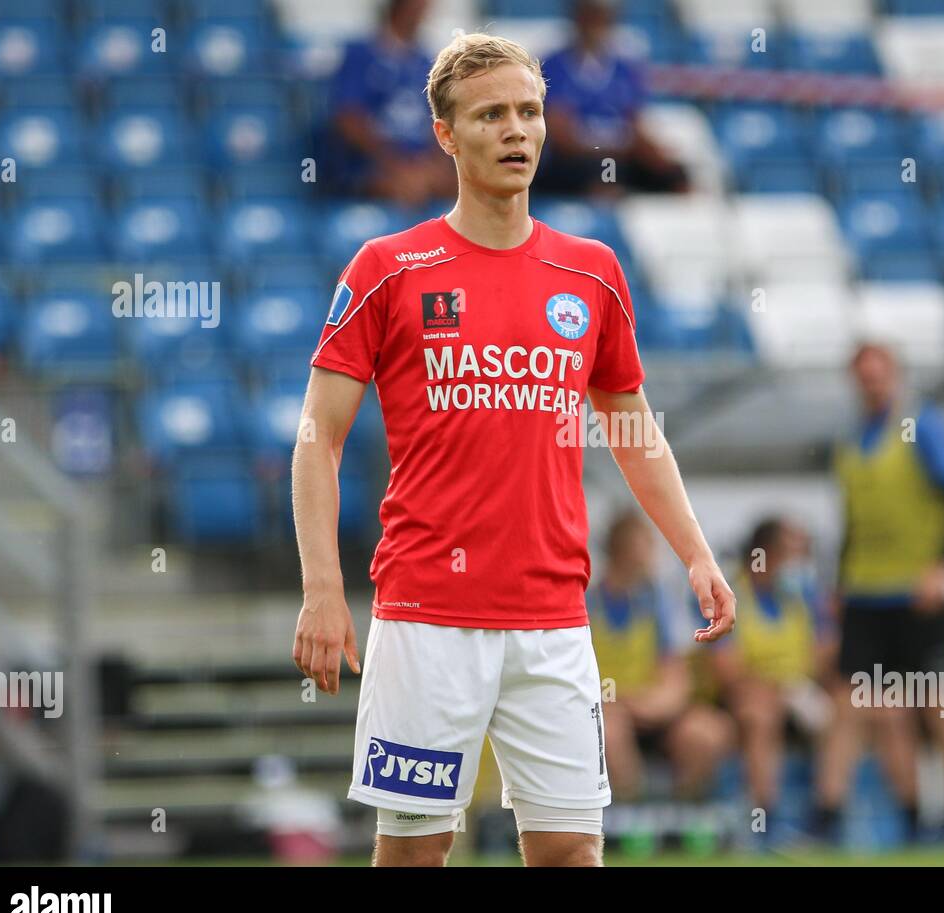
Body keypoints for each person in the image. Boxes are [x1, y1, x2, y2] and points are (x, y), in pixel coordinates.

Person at [291, 32, 735, 868]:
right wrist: (322, 587)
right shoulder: (387, 269)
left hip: (554, 621)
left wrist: (697, 553)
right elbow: (318, 438)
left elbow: (634, 432)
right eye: (491, 114)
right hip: (428, 618)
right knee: (416, 855)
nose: (516, 130)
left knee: (570, 853)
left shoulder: (592, 271)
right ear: (447, 135)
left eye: (529, 111)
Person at [813, 342, 944, 846]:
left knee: (937, 702)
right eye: (863, 376)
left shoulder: (925, 426)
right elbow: (854, 523)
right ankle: (838, 811)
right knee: (859, 705)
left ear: (896, 375)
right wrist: (840, 583)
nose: (872, 383)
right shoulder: (849, 439)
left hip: (917, 591)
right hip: (865, 593)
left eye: (880, 374)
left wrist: (943, 567)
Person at [588, 510, 735, 803]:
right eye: (645, 545)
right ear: (622, 550)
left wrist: (647, 706)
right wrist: (618, 705)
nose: (652, 555)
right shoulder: (587, 603)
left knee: (707, 733)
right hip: (606, 711)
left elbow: (676, 679)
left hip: (651, 709)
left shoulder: (660, 604)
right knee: (610, 732)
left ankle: (680, 812)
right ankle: (629, 819)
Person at [711, 517, 830, 845]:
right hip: (747, 697)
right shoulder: (730, 595)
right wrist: (773, 689)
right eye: (789, 554)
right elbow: (726, 671)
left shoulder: (802, 596)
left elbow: (824, 652)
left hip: (797, 692)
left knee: (842, 715)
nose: (796, 564)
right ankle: (767, 821)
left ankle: (826, 818)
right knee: (760, 716)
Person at [533, 0, 689, 196]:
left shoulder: (626, 69)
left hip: (618, 156)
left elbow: (635, 122)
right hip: (576, 158)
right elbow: (559, 132)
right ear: (577, 18)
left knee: (676, 174)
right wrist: (608, 147)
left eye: (602, 17)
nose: (595, 25)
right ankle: (600, 220)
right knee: (602, 173)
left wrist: (653, 153)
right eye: (590, 16)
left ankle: (684, 224)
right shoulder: (554, 65)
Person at [323, 0, 456, 202]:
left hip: (421, 164)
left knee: (473, 188)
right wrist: (393, 164)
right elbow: (348, 119)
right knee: (404, 188)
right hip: (372, 165)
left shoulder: (427, 61)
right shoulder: (360, 55)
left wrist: (434, 164)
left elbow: (440, 118)